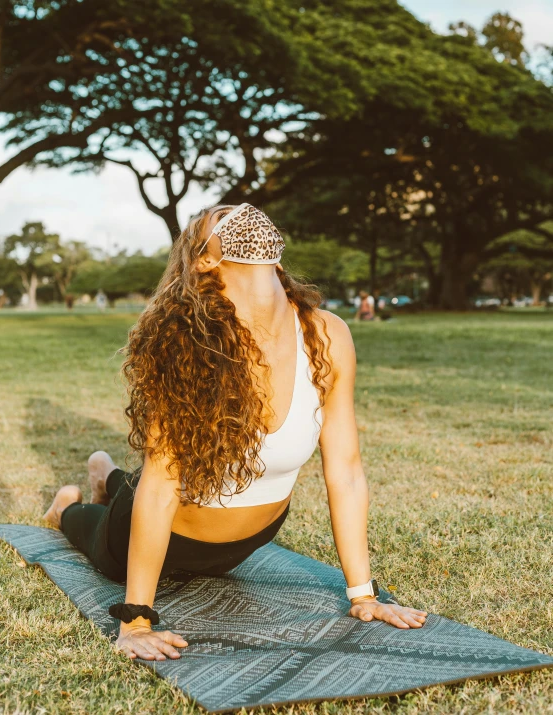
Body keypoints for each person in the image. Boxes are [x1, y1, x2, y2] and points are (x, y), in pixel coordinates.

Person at [44, 202, 427, 663]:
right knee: (103, 541)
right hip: (168, 528)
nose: (244, 210)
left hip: (249, 543)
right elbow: (163, 487)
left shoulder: (328, 335)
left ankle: (107, 474)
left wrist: (364, 595)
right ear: (205, 258)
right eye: (221, 214)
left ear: (277, 255)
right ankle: (69, 504)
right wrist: (137, 619)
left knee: (138, 484)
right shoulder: (182, 344)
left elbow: (345, 470)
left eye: (250, 209)